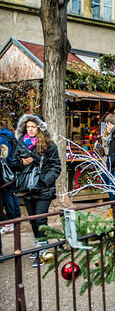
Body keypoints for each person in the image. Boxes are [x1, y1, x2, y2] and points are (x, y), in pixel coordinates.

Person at [13, 114, 61, 267]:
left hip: (43, 189)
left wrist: (44, 180)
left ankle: (43, 252)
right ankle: (38, 246)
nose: (30, 129)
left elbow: (56, 167)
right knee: (33, 219)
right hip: (27, 188)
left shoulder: (49, 145)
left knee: (40, 219)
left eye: (33, 127)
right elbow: (14, 164)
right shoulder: (20, 143)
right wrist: (22, 162)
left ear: (39, 128)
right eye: (28, 127)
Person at [0, 121, 20, 233]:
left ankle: (10, 219)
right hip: (14, 168)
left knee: (6, 194)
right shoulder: (13, 137)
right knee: (13, 193)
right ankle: (17, 216)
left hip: (5, 170)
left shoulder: (1, 138)